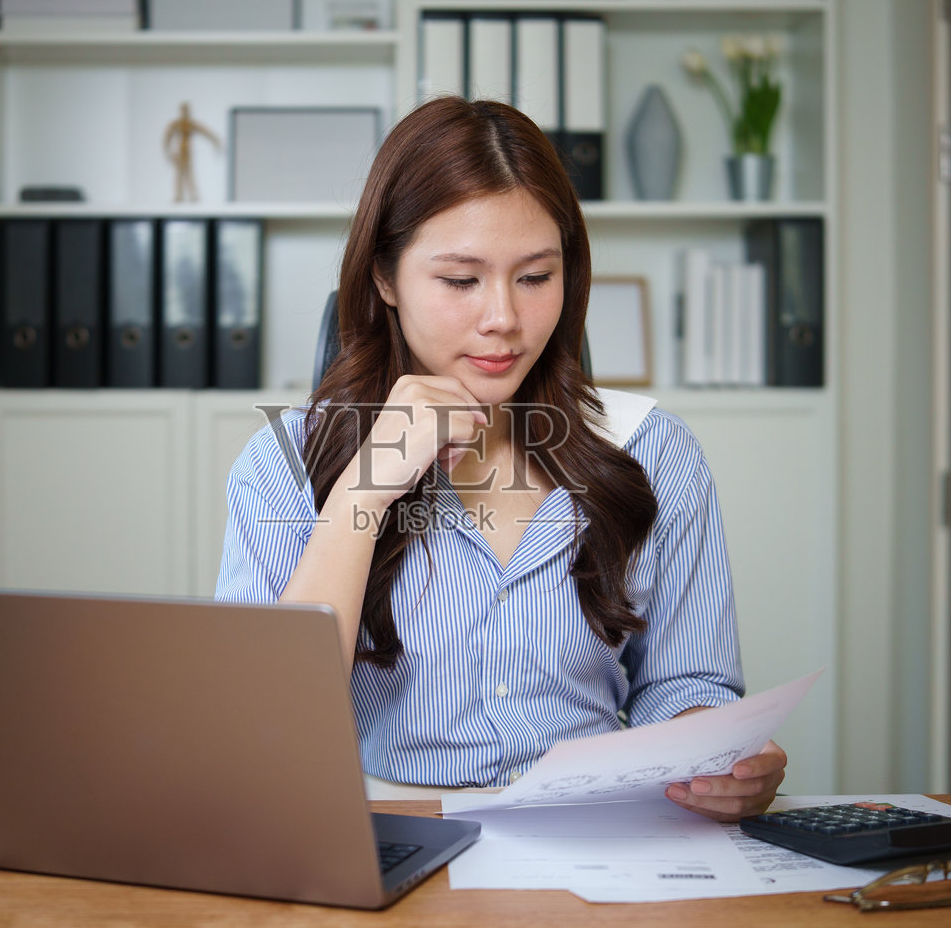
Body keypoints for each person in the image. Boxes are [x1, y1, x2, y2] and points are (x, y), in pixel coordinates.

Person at [215, 97, 785, 821]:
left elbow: (683, 684)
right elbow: (265, 723)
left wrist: (719, 757)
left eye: (535, 277)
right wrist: (363, 492)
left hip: (597, 835)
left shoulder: (653, 450)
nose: (503, 320)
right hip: (387, 832)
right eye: (461, 281)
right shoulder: (284, 463)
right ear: (385, 278)